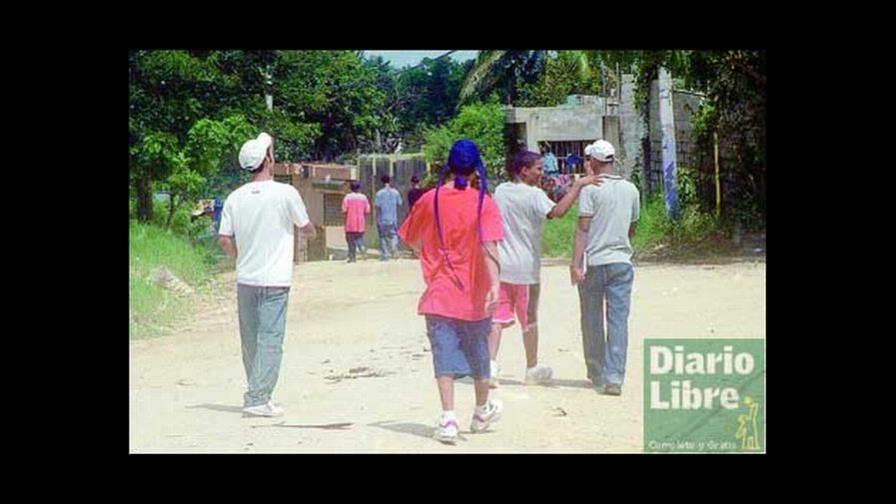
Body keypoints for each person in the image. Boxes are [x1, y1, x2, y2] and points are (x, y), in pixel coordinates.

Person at [398, 139, 505, 445]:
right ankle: (482, 409)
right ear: (476, 169)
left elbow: (410, 237)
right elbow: (489, 247)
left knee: (443, 355)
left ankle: (448, 417)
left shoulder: (429, 200)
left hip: (439, 292)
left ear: (448, 165)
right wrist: (495, 285)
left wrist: (430, 256)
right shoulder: (484, 202)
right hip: (475, 293)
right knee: (480, 354)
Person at [218, 132, 317, 417]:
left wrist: (240, 258)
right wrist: (308, 234)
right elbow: (306, 225)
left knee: (250, 339)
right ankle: (258, 397)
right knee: (271, 337)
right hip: (275, 280)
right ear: (268, 160)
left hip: (245, 279)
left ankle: (257, 390)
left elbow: (224, 238)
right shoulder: (286, 193)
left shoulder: (235, 198)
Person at [488, 150, 601, 388]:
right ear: (524, 170)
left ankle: (490, 365)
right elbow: (557, 212)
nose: (541, 173)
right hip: (526, 269)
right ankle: (531, 366)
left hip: (502, 265)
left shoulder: (500, 191)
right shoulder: (534, 195)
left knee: (497, 318)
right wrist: (579, 184)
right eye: (538, 168)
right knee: (529, 319)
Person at [571, 140, 639, 396]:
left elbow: (582, 229)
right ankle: (614, 377)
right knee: (618, 320)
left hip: (596, 263)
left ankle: (596, 371)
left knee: (591, 319)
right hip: (622, 262)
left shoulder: (591, 189)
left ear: (595, 162)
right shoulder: (631, 189)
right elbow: (632, 226)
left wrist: (575, 263)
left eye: (589, 159)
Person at [375, 175, 402, 261]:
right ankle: (394, 248)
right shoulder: (395, 192)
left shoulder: (379, 193)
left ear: (381, 182)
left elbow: (377, 205)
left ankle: (385, 255)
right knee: (393, 235)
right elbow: (400, 203)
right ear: (390, 182)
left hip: (382, 218)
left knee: (382, 236)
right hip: (393, 218)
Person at [342, 181, 370, 263]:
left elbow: (344, 210)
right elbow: (367, 210)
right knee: (359, 238)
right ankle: (362, 249)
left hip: (350, 223)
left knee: (350, 242)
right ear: (359, 188)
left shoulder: (347, 197)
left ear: (351, 188)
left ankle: (352, 257)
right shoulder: (364, 198)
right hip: (360, 223)